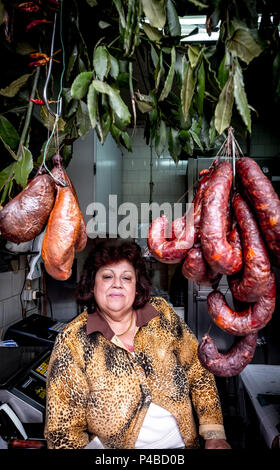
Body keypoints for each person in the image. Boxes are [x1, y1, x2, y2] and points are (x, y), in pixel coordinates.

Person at [44, 239, 231, 449]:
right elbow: (62, 431)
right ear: (92, 284)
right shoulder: (73, 341)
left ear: (137, 286)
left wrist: (214, 434)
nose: (117, 283)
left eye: (126, 277)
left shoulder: (161, 315)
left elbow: (198, 370)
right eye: (107, 276)